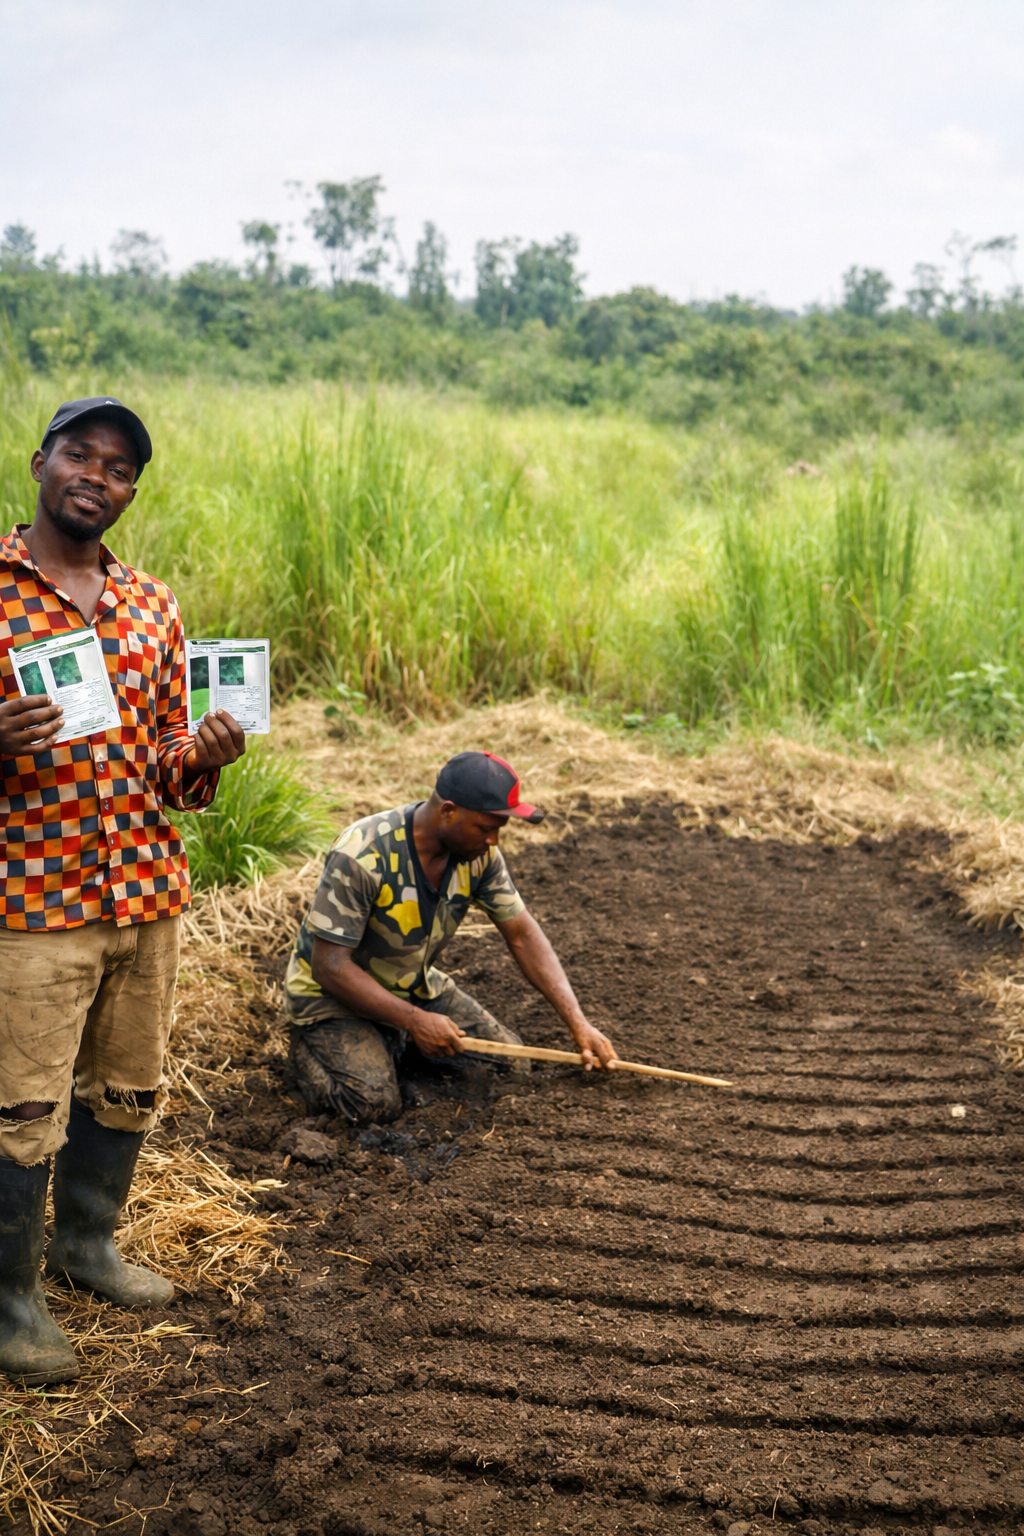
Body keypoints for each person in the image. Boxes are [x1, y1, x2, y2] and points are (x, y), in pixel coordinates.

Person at [0, 397, 246, 1386]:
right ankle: (11, 1300)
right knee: (20, 1108)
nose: (96, 476)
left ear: (131, 490)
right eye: (79, 455)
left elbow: (170, 759)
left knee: (127, 1083)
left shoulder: (151, 603)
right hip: (33, 896)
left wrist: (209, 753)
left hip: (143, 890)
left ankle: (86, 1247)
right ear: (39, 462)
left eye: (117, 467)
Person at [285, 750, 617, 1122]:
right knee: (373, 1104)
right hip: (331, 1001)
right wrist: (414, 1021)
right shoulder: (362, 853)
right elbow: (329, 967)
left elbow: (522, 934)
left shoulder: (478, 856)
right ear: (448, 811)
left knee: (510, 1066)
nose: (493, 840)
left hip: (411, 987)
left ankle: (394, 1045)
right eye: (485, 827)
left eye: (499, 830)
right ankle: (309, 1054)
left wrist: (578, 1022)